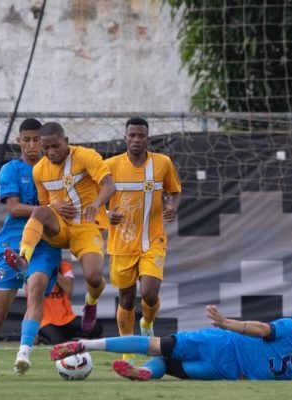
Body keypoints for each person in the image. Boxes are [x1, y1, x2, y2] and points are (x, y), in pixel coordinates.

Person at [50, 305, 292, 382]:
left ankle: (85, 344)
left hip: (220, 343)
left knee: (155, 344)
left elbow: (261, 329)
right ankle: (143, 373)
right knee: (169, 367)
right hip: (224, 372)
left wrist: (226, 322)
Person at [8, 122, 116, 334]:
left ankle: (91, 302)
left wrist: (96, 204)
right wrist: (51, 207)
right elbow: (44, 204)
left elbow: (109, 185)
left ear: (66, 141)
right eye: (45, 148)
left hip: (85, 227)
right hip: (59, 229)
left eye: (55, 146)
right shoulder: (39, 170)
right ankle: (23, 257)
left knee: (94, 277)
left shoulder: (86, 156)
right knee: (39, 211)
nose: (50, 152)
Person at [0, 118, 62, 376]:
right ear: (19, 141)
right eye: (27, 140)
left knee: (35, 291)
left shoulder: (57, 170)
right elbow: (13, 208)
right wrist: (47, 210)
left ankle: (23, 352)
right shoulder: (11, 169)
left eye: (37, 139)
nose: (32, 145)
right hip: (13, 246)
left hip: (45, 245)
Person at [105, 117, 181, 362]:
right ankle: (128, 352)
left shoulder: (162, 163)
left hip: (153, 241)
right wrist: (107, 214)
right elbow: (91, 200)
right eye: (132, 135)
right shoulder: (110, 166)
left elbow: (175, 191)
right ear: (125, 137)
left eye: (141, 136)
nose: (136, 140)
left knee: (148, 292)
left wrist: (172, 206)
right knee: (126, 298)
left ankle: (147, 321)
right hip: (122, 243)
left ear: (148, 138)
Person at [38, 260, 103, 344]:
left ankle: (69, 338)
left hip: (68, 318)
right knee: (60, 344)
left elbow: (69, 289)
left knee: (96, 327)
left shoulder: (65, 265)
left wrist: (54, 272)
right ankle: (42, 337)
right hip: (46, 321)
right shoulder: (36, 266)